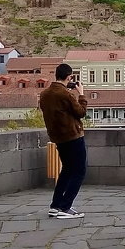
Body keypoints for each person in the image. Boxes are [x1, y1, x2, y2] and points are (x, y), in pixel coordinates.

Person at [39, 63, 88, 219]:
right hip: (73, 136)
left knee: (66, 170)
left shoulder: (45, 94)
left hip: (58, 138)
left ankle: (55, 205)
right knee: (79, 171)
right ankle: (65, 207)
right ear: (69, 77)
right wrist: (81, 94)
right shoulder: (65, 94)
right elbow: (81, 112)